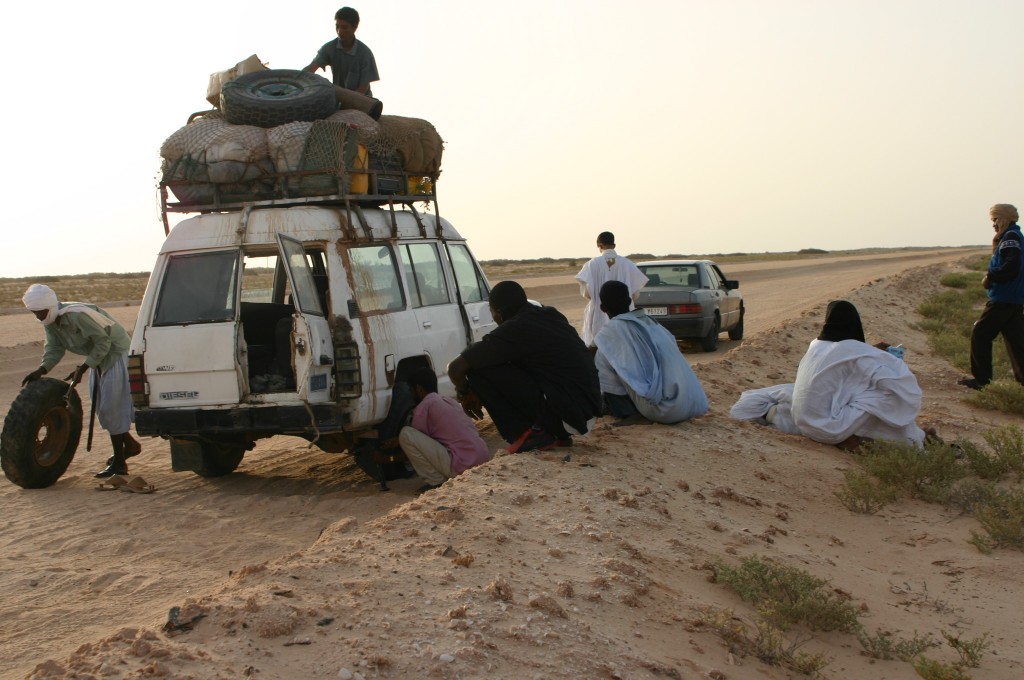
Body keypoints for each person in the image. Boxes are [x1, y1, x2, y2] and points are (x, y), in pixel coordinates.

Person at [730, 300, 928, 450]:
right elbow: (901, 386)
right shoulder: (855, 352)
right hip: (829, 428)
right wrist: (884, 357)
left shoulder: (816, 346)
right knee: (879, 399)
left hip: (804, 422)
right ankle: (912, 441)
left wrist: (870, 351)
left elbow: (843, 356)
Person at [448, 281, 602, 452]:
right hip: (585, 409)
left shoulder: (516, 328)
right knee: (505, 361)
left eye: (492, 312)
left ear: (498, 313)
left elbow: (455, 368)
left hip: (571, 416)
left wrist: (465, 392)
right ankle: (557, 435)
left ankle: (528, 435)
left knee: (478, 370)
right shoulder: (550, 314)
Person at [21, 284, 142, 477]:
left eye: (40, 312)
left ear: (49, 307)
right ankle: (130, 445)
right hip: (98, 358)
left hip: (116, 355)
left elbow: (104, 341)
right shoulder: (51, 321)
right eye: (35, 313)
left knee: (111, 407)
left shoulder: (77, 315)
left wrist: (84, 368)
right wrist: (41, 370)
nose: (38, 317)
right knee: (101, 406)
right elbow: (54, 347)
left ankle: (120, 463)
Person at [593, 281, 709, 425]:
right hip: (694, 402)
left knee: (601, 357)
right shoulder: (651, 322)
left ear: (602, 308)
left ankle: (627, 412)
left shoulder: (612, 330)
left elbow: (592, 352)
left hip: (664, 409)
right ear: (630, 301)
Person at [958, 203, 1024, 390]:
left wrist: (990, 277)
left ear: (1003, 218)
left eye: (995, 220)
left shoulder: (1010, 237)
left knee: (980, 334)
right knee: (1016, 341)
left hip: (1004, 297)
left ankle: (981, 380)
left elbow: (1012, 266)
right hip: (1014, 298)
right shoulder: (1014, 235)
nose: (993, 224)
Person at [397, 366, 491, 493]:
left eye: (411, 390)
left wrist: (390, 457)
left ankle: (435, 481)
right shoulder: (448, 401)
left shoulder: (423, 408)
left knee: (405, 434)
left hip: (464, 464)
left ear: (418, 389)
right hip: (483, 457)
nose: (410, 394)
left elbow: (418, 443)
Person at [575, 231, 649, 347]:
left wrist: (597, 298)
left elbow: (586, 292)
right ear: (614, 245)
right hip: (625, 312)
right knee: (625, 345)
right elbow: (635, 294)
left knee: (598, 345)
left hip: (599, 311)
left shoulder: (591, 264)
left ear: (599, 245)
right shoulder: (628, 264)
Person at [303, 7, 379, 97]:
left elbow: (363, 87)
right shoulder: (329, 48)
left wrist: (349, 100)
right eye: (337, 26)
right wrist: (295, 82)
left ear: (355, 28)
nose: (339, 31)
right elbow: (310, 69)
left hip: (361, 100)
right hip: (338, 98)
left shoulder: (365, 53)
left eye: (344, 27)